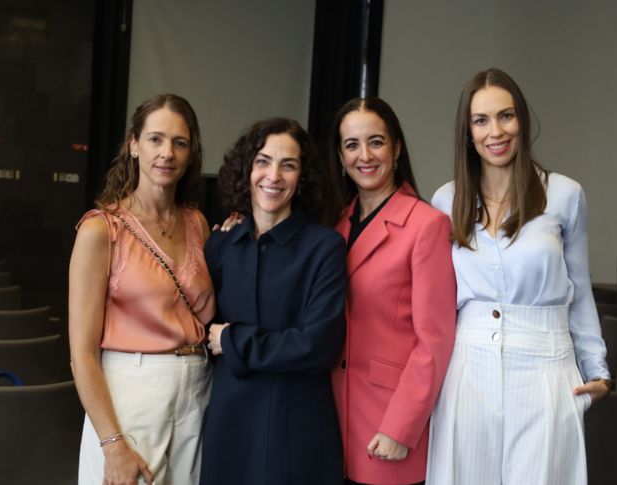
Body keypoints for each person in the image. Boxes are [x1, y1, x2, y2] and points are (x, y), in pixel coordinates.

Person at [426, 68, 611, 485]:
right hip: (467, 366)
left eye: (506, 116)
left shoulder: (564, 194)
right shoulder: (445, 200)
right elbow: (433, 301)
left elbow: (580, 290)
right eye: (481, 120)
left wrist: (597, 369)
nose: (496, 131)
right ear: (467, 132)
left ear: (522, 120)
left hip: (546, 363)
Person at [69, 93, 215, 484]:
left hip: (198, 388)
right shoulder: (101, 230)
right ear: (133, 144)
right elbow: (82, 355)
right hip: (131, 389)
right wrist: (112, 443)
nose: (166, 153)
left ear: (190, 152)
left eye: (179, 142)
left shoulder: (197, 224)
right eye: (155, 139)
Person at [199, 118, 347, 485]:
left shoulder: (324, 248)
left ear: (302, 179)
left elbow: (318, 344)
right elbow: (199, 326)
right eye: (263, 161)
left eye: (289, 165)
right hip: (229, 418)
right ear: (247, 170)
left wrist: (233, 340)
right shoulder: (220, 246)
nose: (273, 175)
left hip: (293, 421)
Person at [327, 97, 457, 485]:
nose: (364, 156)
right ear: (340, 154)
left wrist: (402, 426)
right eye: (352, 145)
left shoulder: (427, 225)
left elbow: (434, 340)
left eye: (376, 142)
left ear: (397, 148)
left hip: (389, 418)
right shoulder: (335, 224)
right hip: (332, 415)